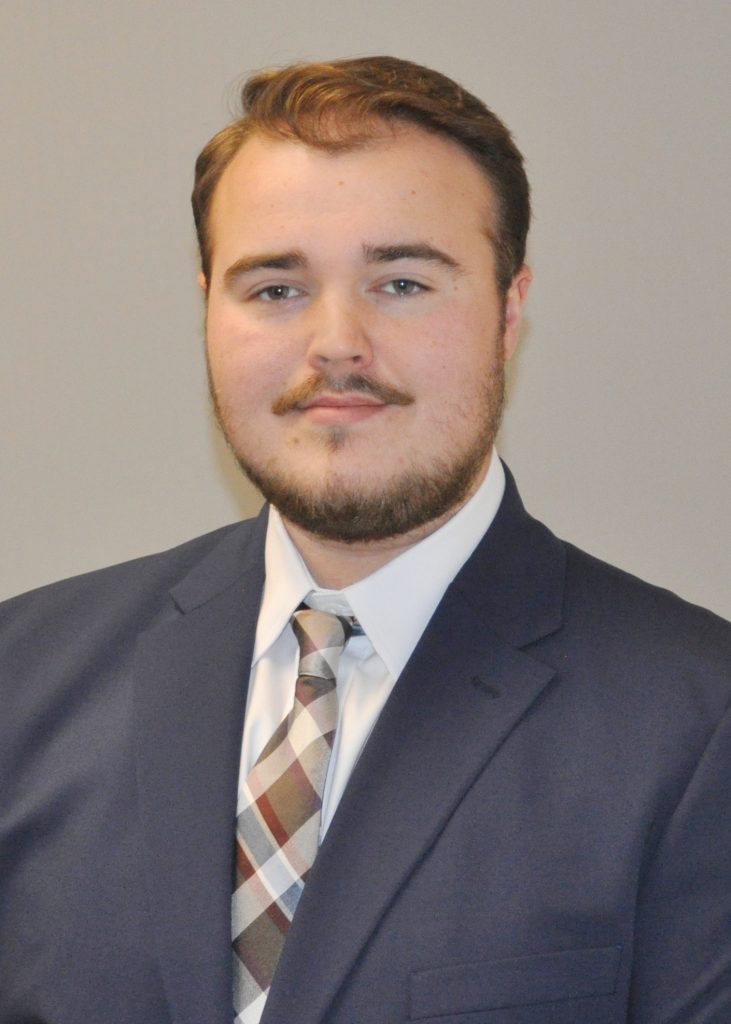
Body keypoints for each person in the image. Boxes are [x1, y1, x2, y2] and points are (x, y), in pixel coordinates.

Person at [1, 55, 729, 1024]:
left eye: (401, 281)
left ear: (508, 311)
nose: (336, 342)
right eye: (275, 288)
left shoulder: (698, 723)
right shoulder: (23, 677)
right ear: (206, 306)